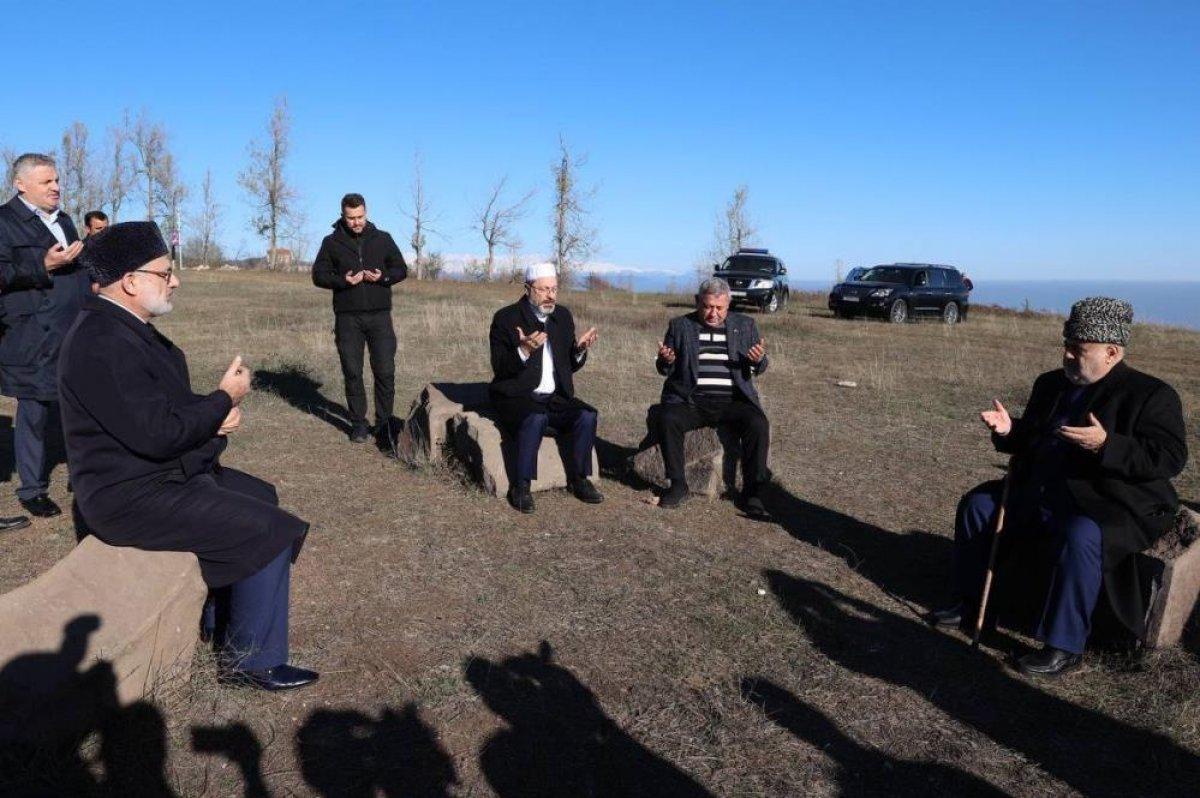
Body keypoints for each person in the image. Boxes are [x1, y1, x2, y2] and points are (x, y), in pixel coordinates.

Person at [59, 221, 318, 691]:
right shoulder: (101, 342)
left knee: (262, 494)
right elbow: (157, 435)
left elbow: (159, 412)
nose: (175, 280)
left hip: (157, 475)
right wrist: (222, 401)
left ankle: (218, 619)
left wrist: (213, 414)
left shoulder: (126, 329)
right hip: (130, 496)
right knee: (270, 529)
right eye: (165, 272)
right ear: (131, 281)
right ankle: (251, 661)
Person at [930, 297, 1188, 677]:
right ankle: (969, 600)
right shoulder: (1051, 384)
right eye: (1066, 345)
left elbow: (1169, 457)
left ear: (1111, 352)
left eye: (1078, 349)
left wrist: (1106, 445)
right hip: (1042, 488)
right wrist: (1010, 430)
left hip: (1109, 501)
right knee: (979, 505)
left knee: (1080, 534)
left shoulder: (1150, 395)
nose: (1067, 355)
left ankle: (1064, 646)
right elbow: (1032, 439)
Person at [0, 153, 91, 518]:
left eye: (56, 180)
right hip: (30, 334)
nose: (56, 187)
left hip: (74, 330)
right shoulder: (4, 222)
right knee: (35, 413)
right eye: (46, 182)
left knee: (79, 405)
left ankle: (85, 475)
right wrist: (42, 265)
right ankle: (32, 489)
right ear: (21, 185)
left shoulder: (64, 220)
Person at [651, 277, 771, 517]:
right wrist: (666, 360)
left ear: (728, 305)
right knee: (667, 418)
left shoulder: (746, 325)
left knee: (758, 423)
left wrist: (758, 361)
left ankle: (753, 492)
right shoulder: (680, 325)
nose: (713, 313)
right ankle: (678, 484)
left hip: (733, 401)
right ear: (698, 302)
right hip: (692, 400)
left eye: (719, 308)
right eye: (707, 307)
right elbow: (665, 369)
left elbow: (760, 364)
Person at [488, 263, 603, 513]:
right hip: (517, 396)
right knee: (535, 418)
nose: (550, 295)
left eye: (554, 289)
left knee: (587, 415)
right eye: (543, 290)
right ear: (528, 288)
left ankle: (580, 480)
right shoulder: (506, 318)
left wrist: (579, 351)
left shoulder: (562, 316)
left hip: (554, 397)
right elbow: (500, 366)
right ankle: (521, 486)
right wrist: (524, 350)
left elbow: (567, 367)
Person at [311, 194, 407, 449]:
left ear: (366, 212)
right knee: (352, 372)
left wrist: (383, 277)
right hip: (347, 318)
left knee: (385, 371)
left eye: (360, 217)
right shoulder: (331, 243)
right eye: (351, 218)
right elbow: (318, 275)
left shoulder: (383, 239)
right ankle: (358, 424)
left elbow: (401, 269)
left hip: (380, 317)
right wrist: (343, 280)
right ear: (343, 215)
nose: (356, 222)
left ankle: (384, 425)